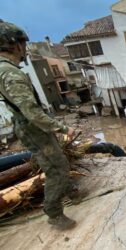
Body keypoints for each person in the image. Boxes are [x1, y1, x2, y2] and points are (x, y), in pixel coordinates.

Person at [0, 20, 77, 230]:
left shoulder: (6, 69)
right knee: (56, 169)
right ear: (14, 45)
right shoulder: (10, 73)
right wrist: (63, 128)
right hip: (33, 128)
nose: (25, 48)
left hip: (31, 127)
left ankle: (70, 191)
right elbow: (31, 111)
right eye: (23, 44)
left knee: (58, 161)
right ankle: (54, 213)